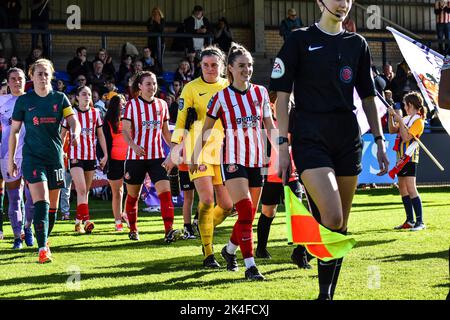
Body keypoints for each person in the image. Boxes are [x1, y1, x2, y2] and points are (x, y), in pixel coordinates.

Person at [269, 0, 389, 299]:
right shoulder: (299, 39)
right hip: (309, 136)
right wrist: (283, 145)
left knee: (339, 226)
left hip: (347, 138)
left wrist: (380, 140)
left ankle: (326, 294)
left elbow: (369, 98)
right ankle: (306, 245)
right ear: (320, 2)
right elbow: (281, 96)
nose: (343, 3)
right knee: (332, 217)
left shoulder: (357, 44)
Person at [191, 43, 275, 280]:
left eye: (249, 65)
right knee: (246, 210)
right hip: (232, 160)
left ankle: (229, 250)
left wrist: (282, 148)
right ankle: (250, 266)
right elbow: (206, 130)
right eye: (241, 66)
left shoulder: (260, 93)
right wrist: (196, 156)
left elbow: (269, 126)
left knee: (248, 215)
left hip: (257, 160)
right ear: (230, 68)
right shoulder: (220, 98)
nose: (247, 69)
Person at [164, 45, 234, 268]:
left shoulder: (229, 86)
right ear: (200, 66)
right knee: (206, 200)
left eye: (214, 65)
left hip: (224, 151)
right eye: (206, 65)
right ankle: (208, 253)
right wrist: (175, 153)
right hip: (198, 149)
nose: (210, 69)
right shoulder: (191, 88)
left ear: (222, 66)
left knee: (227, 205)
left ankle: (201, 228)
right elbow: (181, 122)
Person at [9, 58, 81, 263]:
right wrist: (11, 159)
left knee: (53, 208)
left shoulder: (60, 98)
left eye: (46, 73)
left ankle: (44, 239)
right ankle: (42, 249)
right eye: (38, 73)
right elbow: (14, 131)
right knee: (42, 201)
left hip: (55, 158)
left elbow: (73, 121)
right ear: (31, 76)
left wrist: (75, 132)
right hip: (33, 158)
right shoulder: (24, 101)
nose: (42, 77)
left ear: (51, 76)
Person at [122, 71, 180, 242]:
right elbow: (125, 131)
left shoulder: (162, 104)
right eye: (148, 83)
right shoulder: (131, 105)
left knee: (165, 193)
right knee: (133, 196)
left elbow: (165, 132)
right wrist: (133, 145)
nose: (152, 87)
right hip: (135, 157)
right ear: (140, 86)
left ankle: (169, 230)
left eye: (154, 83)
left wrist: (174, 150)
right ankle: (133, 229)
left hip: (157, 157)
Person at [61, 85, 107, 234]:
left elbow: (100, 135)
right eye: (84, 94)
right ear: (77, 97)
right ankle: (86, 220)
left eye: (89, 94)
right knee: (81, 189)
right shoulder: (70, 113)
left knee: (85, 191)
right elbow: (62, 134)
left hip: (90, 157)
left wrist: (105, 154)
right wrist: (60, 151)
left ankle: (77, 221)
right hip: (75, 156)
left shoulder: (96, 113)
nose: (87, 96)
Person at [0, 67, 35, 249]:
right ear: (8, 81)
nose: (16, 82)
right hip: (7, 156)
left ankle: (28, 228)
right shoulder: (2, 102)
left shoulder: (33, 99)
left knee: (31, 198)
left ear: (25, 81)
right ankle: (17, 237)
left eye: (20, 78)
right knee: (15, 199)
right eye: (13, 79)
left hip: (30, 155)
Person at [388, 92, 426, 231]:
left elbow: (405, 138)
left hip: (409, 157)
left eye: (405, 104)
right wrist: (391, 117)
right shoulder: (406, 118)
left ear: (410, 105)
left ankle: (420, 222)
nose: (404, 107)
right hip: (400, 158)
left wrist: (399, 119)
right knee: (402, 188)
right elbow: (392, 130)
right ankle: (410, 220)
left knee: (411, 188)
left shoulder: (418, 121)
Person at [103, 94, 129, 231]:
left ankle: (125, 213)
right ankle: (117, 221)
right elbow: (104, 141)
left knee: (132, 190)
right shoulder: (107, 121)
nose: (123, 105)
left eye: (124, 102)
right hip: (114, 160)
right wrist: (104, 157)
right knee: (117, 192)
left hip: (130, 159)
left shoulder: (128, 118)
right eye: (121, 103)